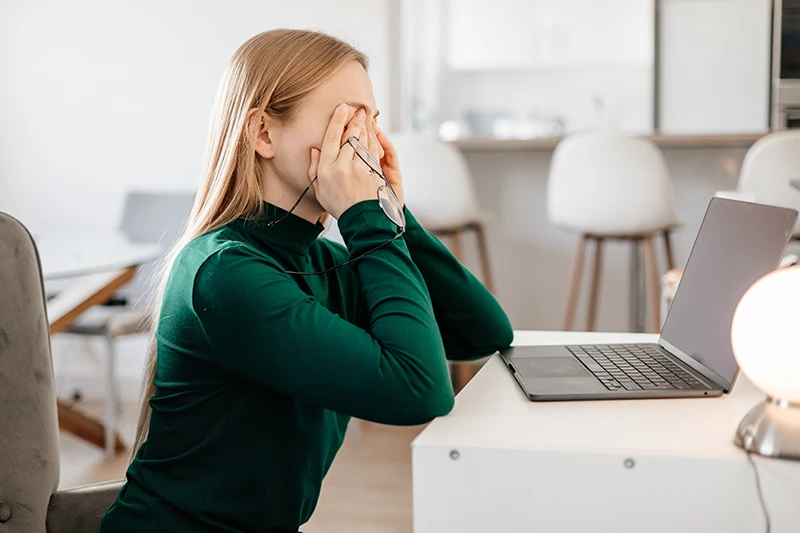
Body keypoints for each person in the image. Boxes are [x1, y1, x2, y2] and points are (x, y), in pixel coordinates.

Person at [99, 28, 512, 533]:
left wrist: (393, 215)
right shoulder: (223, 273)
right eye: (346, 121)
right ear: (264, 134)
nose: (365, 146)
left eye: (371, 123)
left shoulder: (324, 261)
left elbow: (484, 333)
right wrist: (369, 220)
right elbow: (421, 390)